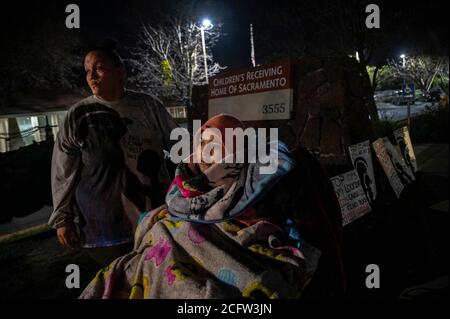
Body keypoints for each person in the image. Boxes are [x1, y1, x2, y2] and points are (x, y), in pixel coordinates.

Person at [79, 114, 344, 299]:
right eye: (202, 137)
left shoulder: (257, 185)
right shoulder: (182, 187)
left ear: (238, 152)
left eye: (217, 136)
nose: (204, 139)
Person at [48, 40, 178, 266]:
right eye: (87, 70)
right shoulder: (78, 116)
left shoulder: (148, 106)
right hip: (104, 228)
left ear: (120, 72)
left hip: (156, 218)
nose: (91, 76)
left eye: (99, 67)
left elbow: (180, 149)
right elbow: (62, 173)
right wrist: (63, 218)